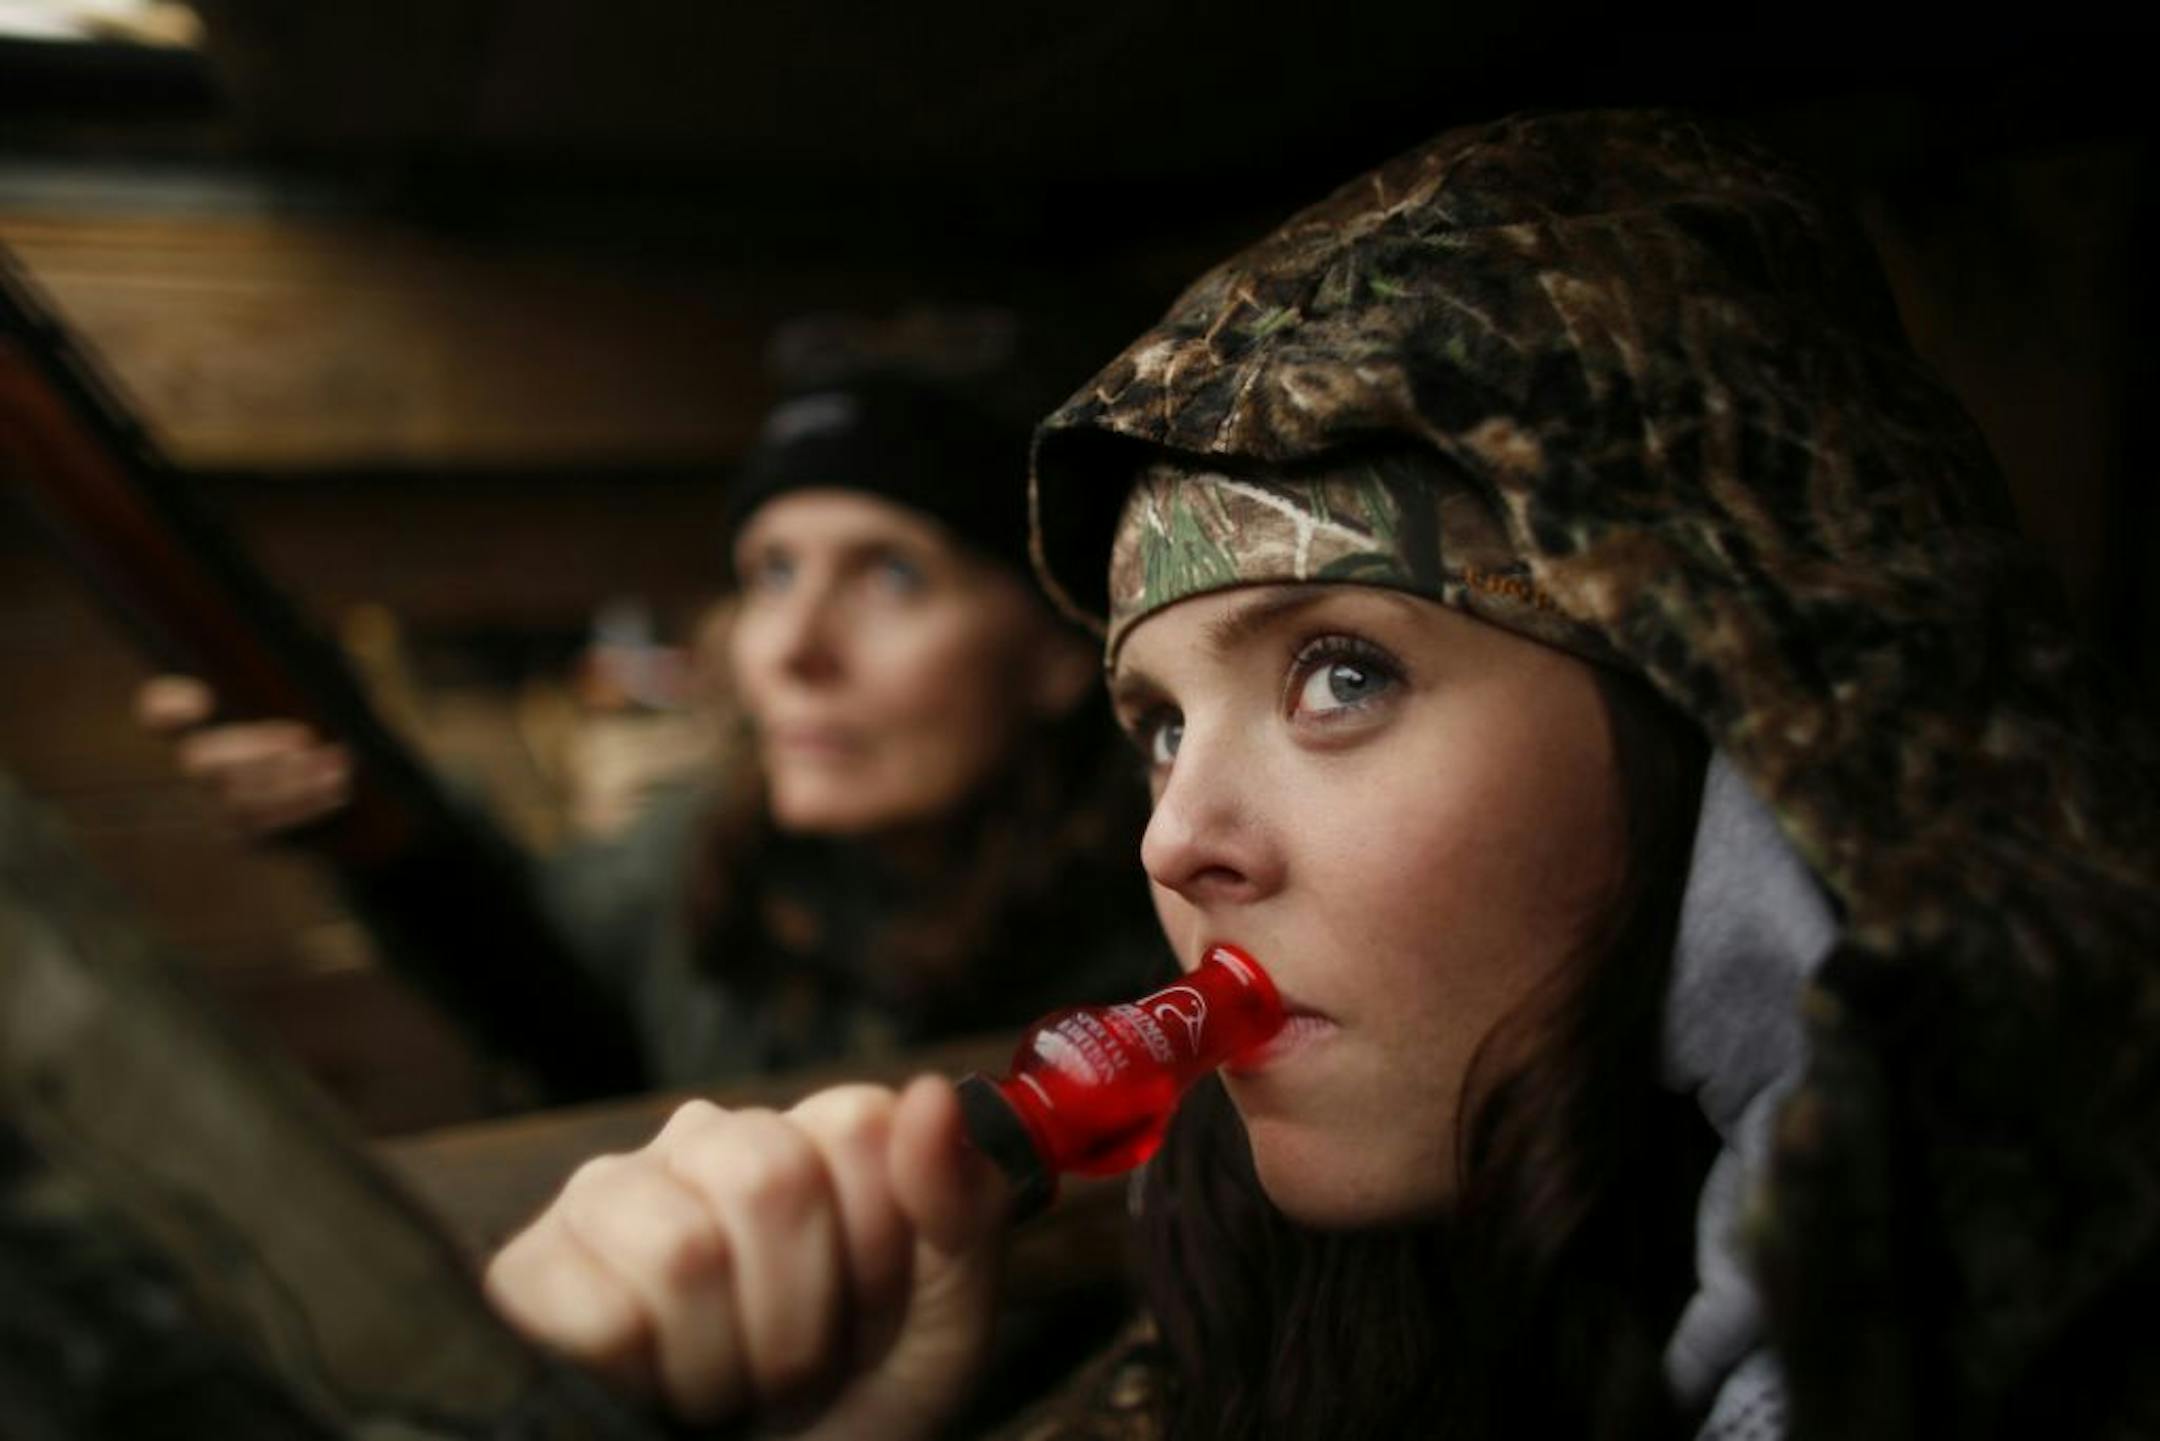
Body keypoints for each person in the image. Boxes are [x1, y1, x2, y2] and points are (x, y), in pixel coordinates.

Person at [475, 109, 2160, 1440]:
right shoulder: (1260, 1326)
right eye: (1159, 725)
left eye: (1341, 675)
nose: (1181, 842)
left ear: (1739, 720)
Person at [139, 370, 1171, 1088]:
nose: (792, 646)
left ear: (1052, 654)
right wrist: (365, 810)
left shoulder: (1168, 932)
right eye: (772, 572)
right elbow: (543, 993)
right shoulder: (702, 851)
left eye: (891, 573)